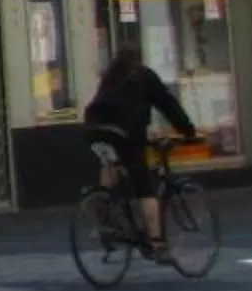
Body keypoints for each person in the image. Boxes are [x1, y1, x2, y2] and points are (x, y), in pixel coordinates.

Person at [84, 44, 196, 256]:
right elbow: (168, 104)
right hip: (124, 133)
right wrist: (188, 130)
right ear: (139, 59)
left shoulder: (110, 76)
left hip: (94, 131)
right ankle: (157, 243)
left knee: (109, 164)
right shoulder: (144, 76)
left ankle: (105, 215)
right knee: (145, 188)